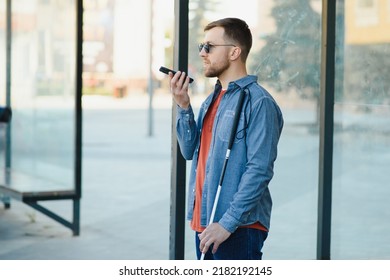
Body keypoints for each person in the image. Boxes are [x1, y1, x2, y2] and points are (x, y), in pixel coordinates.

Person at [168, 17, 283, 260]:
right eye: (202, 46)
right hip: (205, 222)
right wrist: (183, 105)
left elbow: (259, 170)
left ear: (234, 52)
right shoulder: (213, 99)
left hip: (237, 227)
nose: (202, 53)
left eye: (209, 46)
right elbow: (189, 151)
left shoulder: (259, 103)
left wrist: (227, 224)